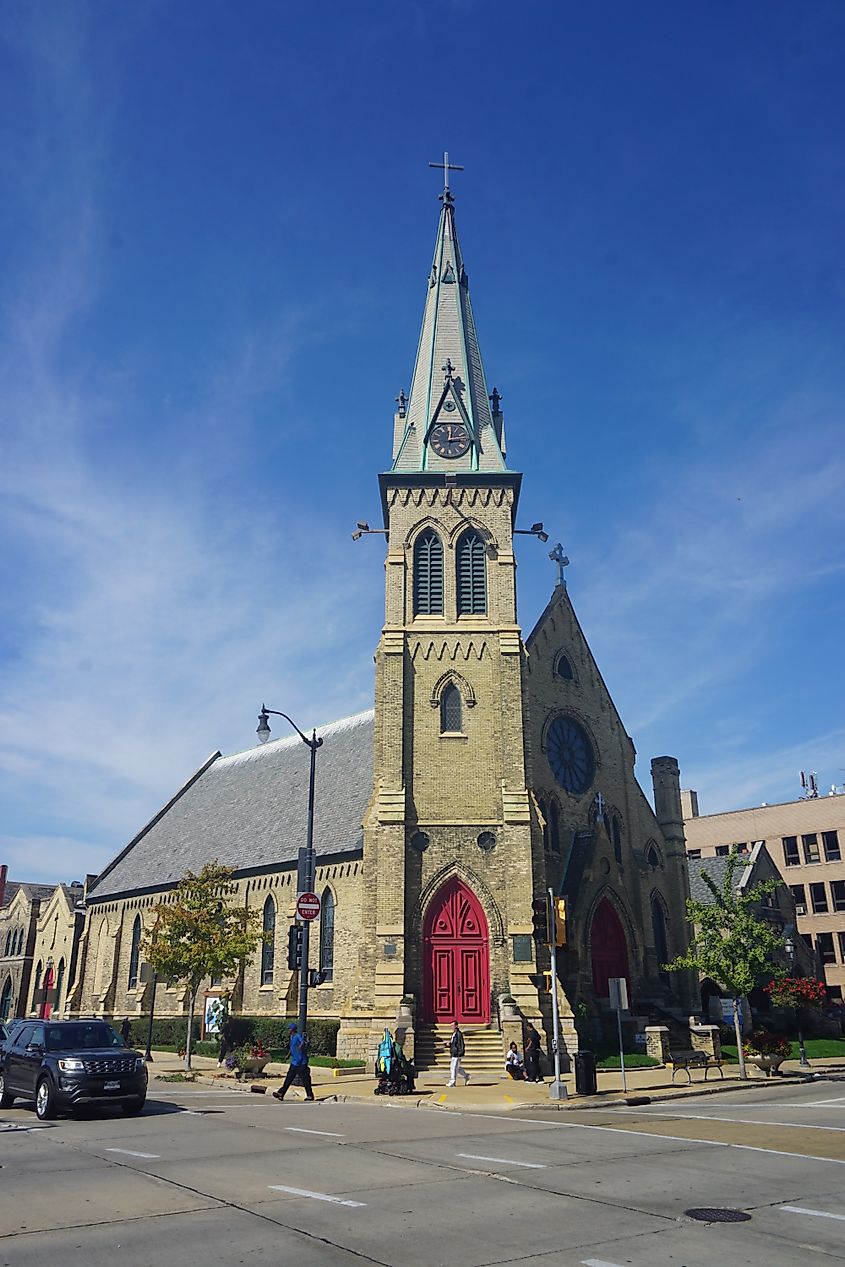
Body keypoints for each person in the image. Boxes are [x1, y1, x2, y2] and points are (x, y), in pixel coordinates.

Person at [273, 1022, 315, 1101]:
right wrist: (288, 1055)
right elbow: (292, 1047)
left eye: (289, 1028)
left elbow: (302, 1041)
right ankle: (281, 1093)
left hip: (302, 1062)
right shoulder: (291, 1037)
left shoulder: (297, 1035)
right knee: (288, 1079)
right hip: (294, 1062)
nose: (288, 1030)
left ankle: (310, 1095)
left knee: (305, 1080)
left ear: (292, 1029)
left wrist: (300, 1046)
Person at [447, 1021, 470, 1087]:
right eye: (451, 1025)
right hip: (454, 1052)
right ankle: (466, 1076)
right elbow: (454, 1043)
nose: (451, 1027)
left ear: (456, 1026)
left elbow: (461, 1044)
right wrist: (449, 1044)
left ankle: (452, 1081)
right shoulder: (454, 1034)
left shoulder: (458, 1034)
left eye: (452, 1025)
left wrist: (460, 1052)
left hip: (457, 1053)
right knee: (455, 1067)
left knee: (454, 1067)